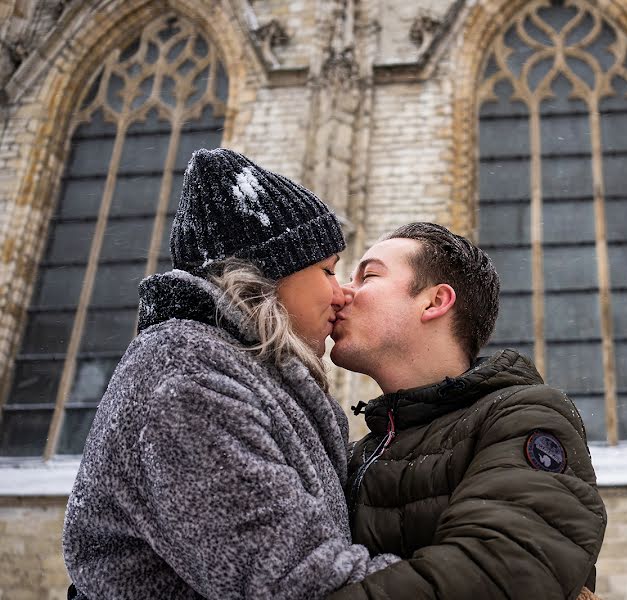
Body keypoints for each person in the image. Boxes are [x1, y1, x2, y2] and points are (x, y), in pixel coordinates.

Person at [62, 148, 396, 599]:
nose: (341, 295)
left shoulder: (230, 365)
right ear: (269, 274)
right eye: (327, 271)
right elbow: (296, 580)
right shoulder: (185, 379)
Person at [327, 223, 607, 599]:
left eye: (369, 276)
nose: (341, 293)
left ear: (435, 302)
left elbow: (501, 572)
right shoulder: (359, 453)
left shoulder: (523, 416)